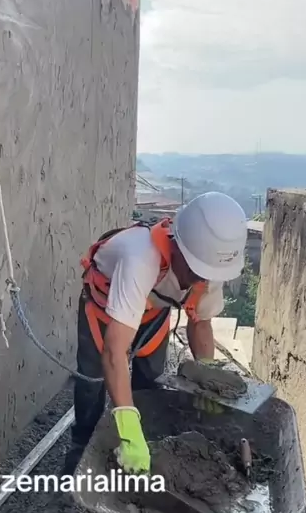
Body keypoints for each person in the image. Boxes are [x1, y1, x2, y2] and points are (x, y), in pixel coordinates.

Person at [64, 191, 248, 477]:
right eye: (197, 271)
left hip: (152, 312)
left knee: (150, 381)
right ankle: (81, 452)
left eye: (207, 274)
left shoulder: (209, 264)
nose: (202, 279)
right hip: (102, 308)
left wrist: (207, 373)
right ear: (179, 247)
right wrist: (127, 428)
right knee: (92, 383)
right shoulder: (140, 259)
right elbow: (115, 352)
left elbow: (201, 321)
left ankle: (147, 443)